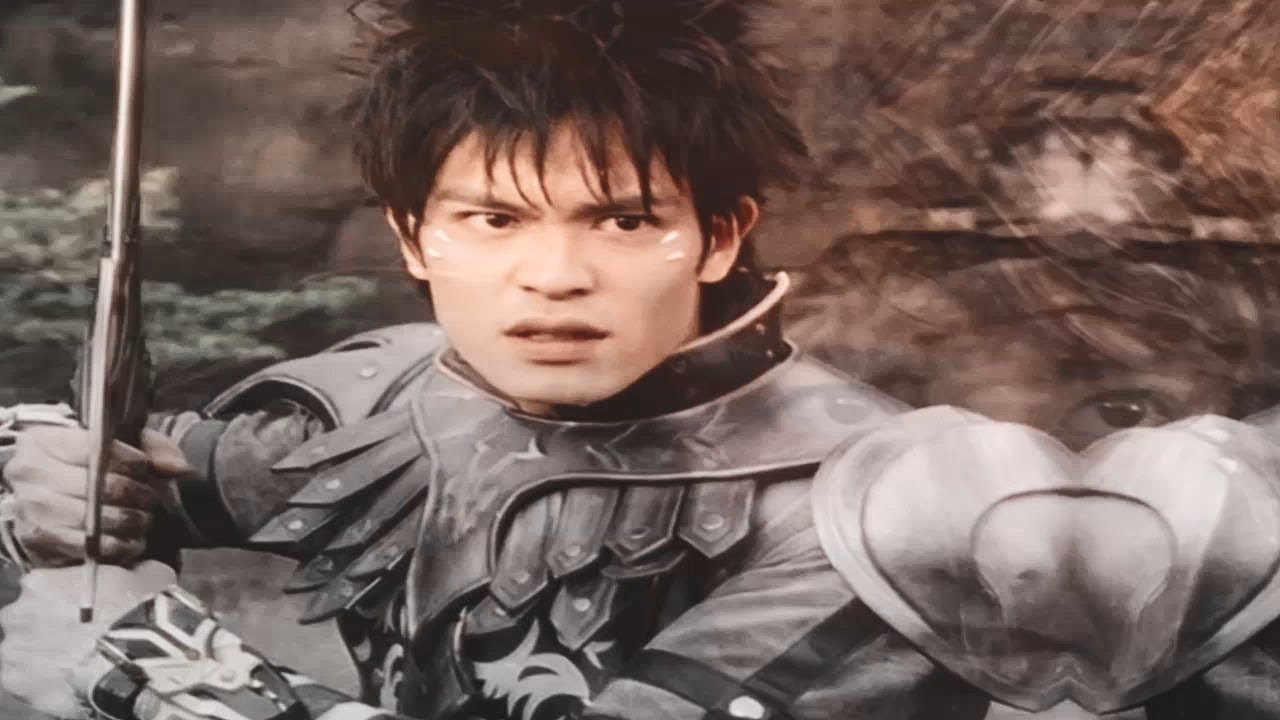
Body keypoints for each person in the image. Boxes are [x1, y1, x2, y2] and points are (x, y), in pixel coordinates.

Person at [6, 1, 1280, 720]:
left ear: (716, 234)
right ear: (412, 237)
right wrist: (57, 486)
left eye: (621, 222)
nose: (553, 275)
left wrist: (168, 676)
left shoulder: (866, 507)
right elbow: (108, 478)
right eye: (491, 220)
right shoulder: (376, 396)